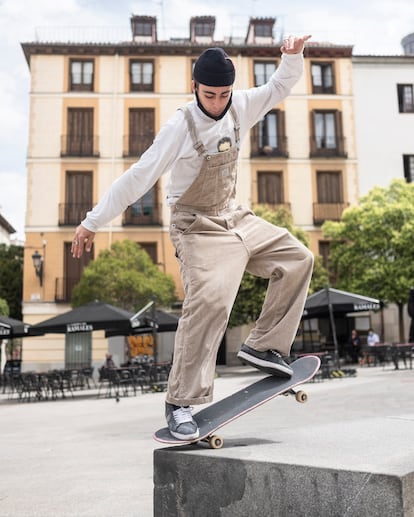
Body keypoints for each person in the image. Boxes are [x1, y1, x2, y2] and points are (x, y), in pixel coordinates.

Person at [71, 34, 314, 440]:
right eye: (209, 94)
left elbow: (278, 88)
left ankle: (263, 346)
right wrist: (93, 220)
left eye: (223, 94)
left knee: (298, 259)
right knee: (211, 299)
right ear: (194, 86)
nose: (217, 102)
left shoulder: (240, 105)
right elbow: (138, 178)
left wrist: (292, 56)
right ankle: (180, 402)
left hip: (234, 216)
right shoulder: (179, 127)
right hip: (195, 225)